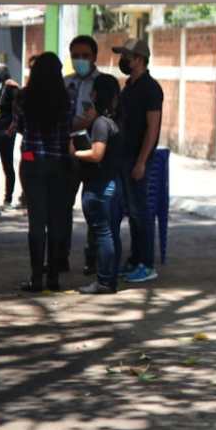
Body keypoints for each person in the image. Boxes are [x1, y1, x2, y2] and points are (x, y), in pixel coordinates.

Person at [14, 53, 74, 292]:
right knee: (56, 221)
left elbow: (20, 127)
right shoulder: (66, 99)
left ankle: (36, 278)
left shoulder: (23, 97)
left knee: (36, 221)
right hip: (59, 163)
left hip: (32, 161)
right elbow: (68, 131)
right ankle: (54, 278)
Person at [113, 38, 163, 284]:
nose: (123, 60)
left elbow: (152, 128)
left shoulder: (150, 89)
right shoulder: (129, 86)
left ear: (140, 60)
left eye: (127, 56)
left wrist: (142, 161)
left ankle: (146, 263)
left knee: (140, 212)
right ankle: (135, 260)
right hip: (124, 156)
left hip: (137, 158)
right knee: (132, 213)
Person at [73, 74, 124, 295]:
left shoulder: (101, 124)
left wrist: (75, 152)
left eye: (93, 91)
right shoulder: (113, 122)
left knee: (103, 233)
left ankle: (104, 281)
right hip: (111, 185)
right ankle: (110, 278)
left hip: (100, 187)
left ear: (96, 94)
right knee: (110, 233)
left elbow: (96, 154)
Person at [58, 35, 102, 274]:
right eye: (76, 56)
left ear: (94, 56)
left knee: (93, 205)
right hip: (68, 149)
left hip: (95, 149)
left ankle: (92, 258)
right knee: (63, 205)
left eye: (85, 55)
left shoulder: (103, 83)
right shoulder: (65, 83)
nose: (80, 60)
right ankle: (60, 256)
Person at [0, 65, 19, 212]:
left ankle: (8, 199)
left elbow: (17, 110)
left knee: (7, 165)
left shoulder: (12, 87)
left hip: (6, 132)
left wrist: (12, 127)